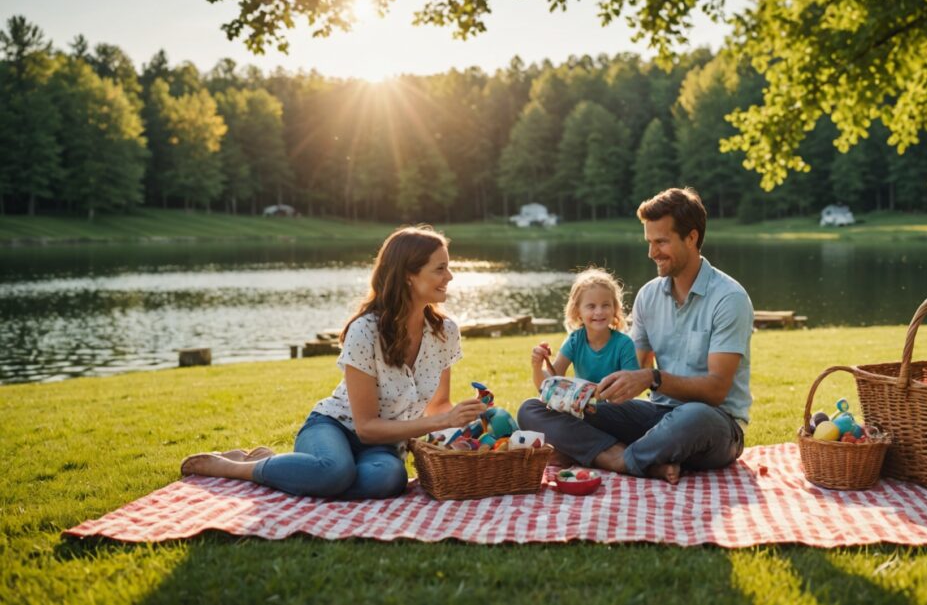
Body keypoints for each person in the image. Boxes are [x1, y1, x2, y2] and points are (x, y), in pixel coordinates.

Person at [179, 226, 486, 499]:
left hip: (385, 446)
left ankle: (299, 472)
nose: (450, 277)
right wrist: (443, 421)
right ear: (408, 275)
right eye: (440, 268)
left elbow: (439, 406)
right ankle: (243, 466)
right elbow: (365, 428)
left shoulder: (445, 332)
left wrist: (466, 427)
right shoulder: (365, 330)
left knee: (388, 479)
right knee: (334, 472)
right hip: (333, 427)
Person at [518, 187, 753, 484]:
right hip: (655, 416)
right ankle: (630, 459)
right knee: (534, 409)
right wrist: (583, 393)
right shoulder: (649, 296)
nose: (651, 253)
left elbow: (716, 390)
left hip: (716, 425)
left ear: (691, 238)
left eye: (661, 242)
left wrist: (653, 378)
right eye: (649, 242)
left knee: (695, 415)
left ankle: (614, 457)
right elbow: (632, 373)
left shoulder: (728, 298)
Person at [528, 267, 638, 390]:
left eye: (605, 305)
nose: (599, 312)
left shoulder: (624, 344)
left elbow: (631, 387)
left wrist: (597, 392)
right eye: (591, 306)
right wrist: (537, 366)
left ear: (614, 308)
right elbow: (548, 385)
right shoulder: (575, 341)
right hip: (581, 407)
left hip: (615, 406)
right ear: (578, 311)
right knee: (530, 405)